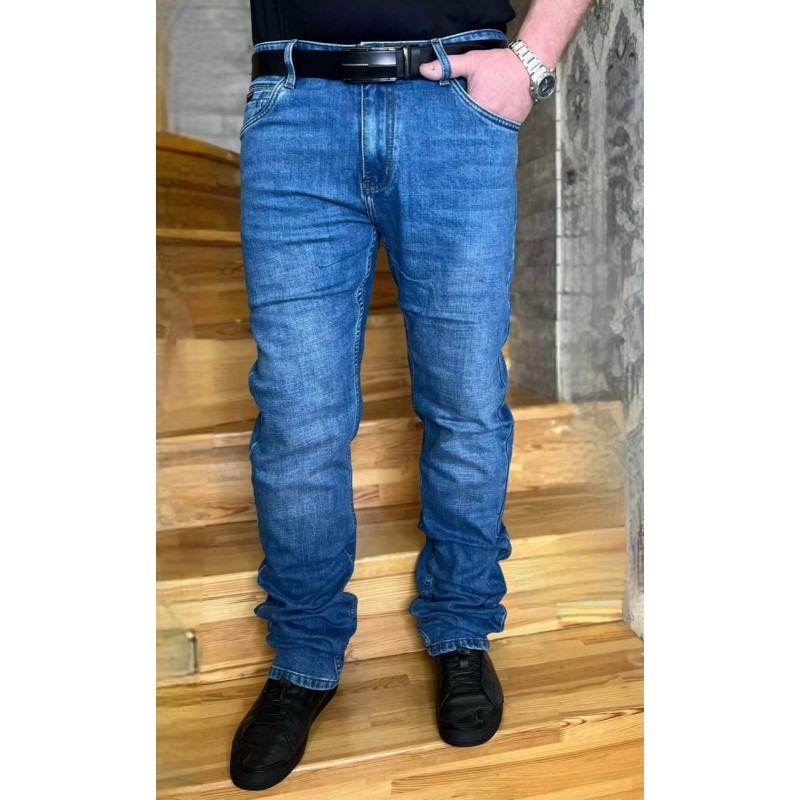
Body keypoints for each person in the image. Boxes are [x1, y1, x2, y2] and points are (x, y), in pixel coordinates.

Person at [230, 0, 594, 791]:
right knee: (297, 417)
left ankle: (462, 627)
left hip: (456, 102)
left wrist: (529, 63)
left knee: (465, 400)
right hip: (297, 107)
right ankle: (304, 656)